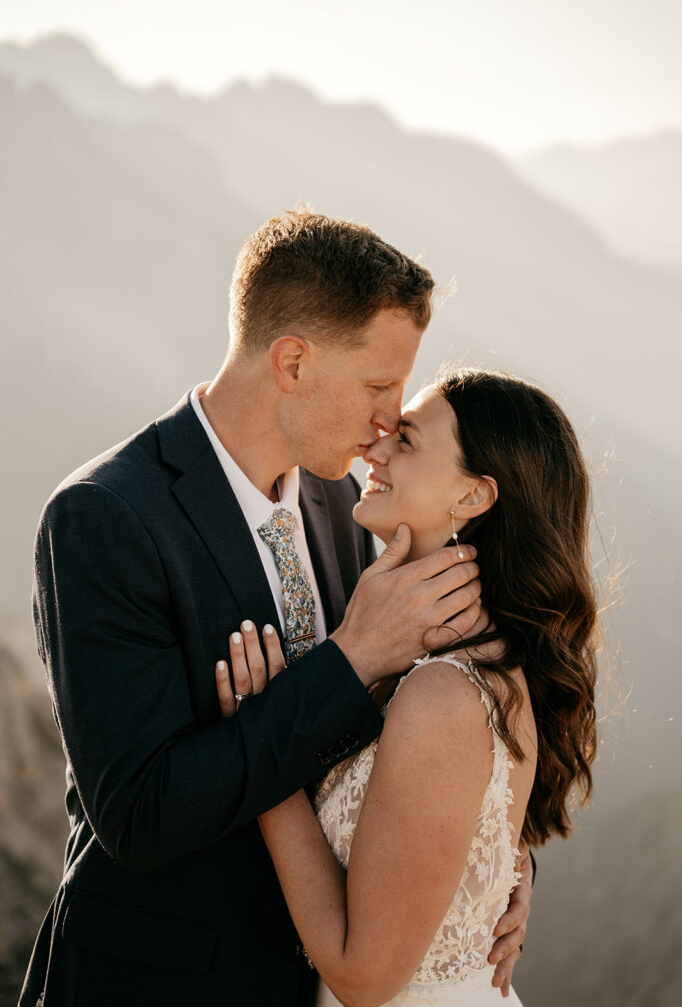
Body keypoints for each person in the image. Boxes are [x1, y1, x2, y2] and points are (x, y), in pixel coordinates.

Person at [21, 213, 531, 1007]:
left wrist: (495, 865)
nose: (391, 418)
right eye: (377, 385)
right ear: (292, 361)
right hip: (160, 985)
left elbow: (429, 732)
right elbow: (140, 816)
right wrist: (350, 660)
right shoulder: (105, 518)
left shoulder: (342, 499)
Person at [216, 368, 597, 1007]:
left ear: (473, 497)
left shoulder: (444, 693)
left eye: (408, 440)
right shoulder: (438, 650)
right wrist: (509, 866)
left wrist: (263, 740)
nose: (375, 448)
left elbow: (364, 978)